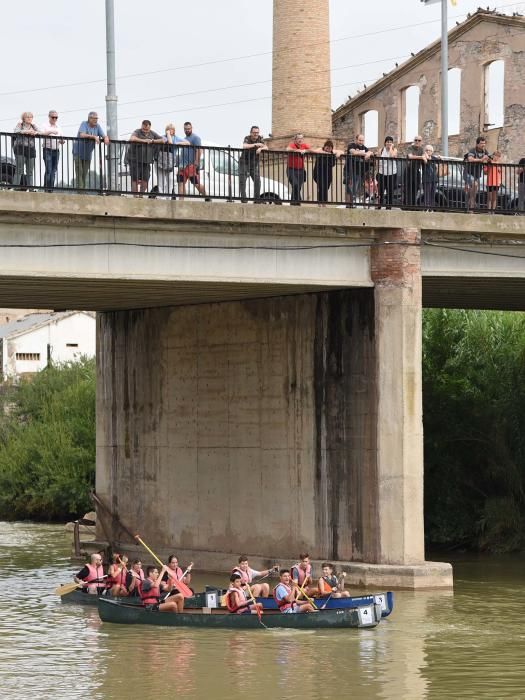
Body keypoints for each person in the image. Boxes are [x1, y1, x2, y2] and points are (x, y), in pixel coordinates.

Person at [72, 112, 109, 190]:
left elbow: (103, 134)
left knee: (84, 173)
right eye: (94, 118)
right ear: (89, 118)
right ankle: (81, 191)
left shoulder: (97, 126)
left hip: (88, 154)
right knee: (79, 172)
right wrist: (94, 137)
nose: (96, 120)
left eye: (96, 118)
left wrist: (105, 137)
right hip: (78, 152)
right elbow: (82, 135)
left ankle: (82, 190)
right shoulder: (84, 124)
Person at [128, 120, 164, 196]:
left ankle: (141, 196)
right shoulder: (137, 131)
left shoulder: (152, 133)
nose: (145, 131)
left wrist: (153, 140)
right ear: (141, 126)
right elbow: (132, 138)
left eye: (147, 129)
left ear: (150, 127)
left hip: (147, 161)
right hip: (135, 160)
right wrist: (144, 141)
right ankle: (135, 196)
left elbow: (163, 140)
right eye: (143, 129)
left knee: (146, 179)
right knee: (135, 179)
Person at [177, 121, 208, 200]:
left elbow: (199, 150)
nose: (187, 130)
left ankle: (206, 196)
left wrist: (196, 163)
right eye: (185, 129)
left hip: (191, 165)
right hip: (182, 166)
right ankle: (181, 202)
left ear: (191, 128)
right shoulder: (184, 139)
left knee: (196, 184)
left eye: (188, 128)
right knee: (181, 183)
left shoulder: (195, 138)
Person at [156, 124, 189, 197]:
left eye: (172, 129)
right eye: (169, 129)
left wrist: (178, 143)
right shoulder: (163, 137)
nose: (171, 131)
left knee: (171, 179)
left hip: (171, 162)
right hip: (161, 161)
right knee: (161, 179)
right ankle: (162, 196)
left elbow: (187, 143)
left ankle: (168, 195)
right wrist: (168, 134)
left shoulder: (176, 138)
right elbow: (170, 142)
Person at [239, 126, 267, 202]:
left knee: (257, 180)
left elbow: (266, 147)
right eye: (254, 132)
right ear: (251, 133)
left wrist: (261, 148)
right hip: (244, 162)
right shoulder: (247, 138)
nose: (256, 134)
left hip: (254, 163)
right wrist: (255, 145)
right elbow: (244, 146)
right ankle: (244, 199)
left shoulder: (260, 138)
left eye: (257, 132)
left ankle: (256, 199)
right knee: (242, 180)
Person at [12, 112, 40, 189]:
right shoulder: (20, 125)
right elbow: (16, 131)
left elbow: (40, 132)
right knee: (19, 169)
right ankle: (15, 187)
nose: (29, 118)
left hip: (31, 150)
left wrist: (35, 132)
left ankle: (30, 188)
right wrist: (26, 131)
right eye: (27, 117)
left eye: (31, 117)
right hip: (20, 148)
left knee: (30, 171)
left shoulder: (33, 126)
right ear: (23, 118)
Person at [344, 134, 372, 207]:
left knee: (354, 188)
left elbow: (370, 152)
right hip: (349, 170)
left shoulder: (364, 148)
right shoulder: (351, 145)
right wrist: (365, 153)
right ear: (356, 140)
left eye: (362, 140)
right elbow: (354, 152)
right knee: (349, 187)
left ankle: (352, 203)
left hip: (358, 171)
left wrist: (368, 153)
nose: (361, 142)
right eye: (360, 140)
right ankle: (348, 204)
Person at [312, 140, 343, 206]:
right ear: (324, 147)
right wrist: (324, 152)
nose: (328, 149)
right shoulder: (321, 150)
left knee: (326, 187)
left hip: (327, 174)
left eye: (330, 148)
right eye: (327, 148)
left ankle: (323, 202)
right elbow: (314, 151)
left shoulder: (332, 153)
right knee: (321, 187)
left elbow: (341, 151)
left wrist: (338, 154)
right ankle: (320, 203)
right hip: (319, 172)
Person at [40, 110, 64, 191]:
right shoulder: (45, 125)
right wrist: (50, 131)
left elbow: (61, 137)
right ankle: (46, 189)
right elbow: (41, 134)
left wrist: (62, 141)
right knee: (48, 170)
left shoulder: (59, 127)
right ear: (49, 117)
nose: (54, 119)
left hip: (56, 150)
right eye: (53, 117)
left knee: (54, 171)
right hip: (47, 150)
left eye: (56, 117)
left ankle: (51, 189)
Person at [464, 136, 490, 211]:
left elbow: (488, 160)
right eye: (481, 143)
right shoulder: (472, 150)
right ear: (477, 144)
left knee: (474, 189)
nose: (483, 145)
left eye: (484, 143)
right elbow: (470, 159)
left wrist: (488, 160)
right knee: (475, 185)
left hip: (477, 174)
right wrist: (481, 159)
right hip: (468, 172)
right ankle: (472, 205)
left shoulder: (485, 151)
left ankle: (470, 202)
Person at [286, 133, 311, 205]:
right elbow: (288, 149)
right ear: (295, 139)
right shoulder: (292, 145)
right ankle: (299, 201)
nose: (300, 140)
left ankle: (294, 204)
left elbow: (312, 150)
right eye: (298, 138)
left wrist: (305, 151)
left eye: (301, 138)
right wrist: (299, 150)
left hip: (301, 170)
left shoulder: (304, 145)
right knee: (296, 185)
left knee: (297, 187)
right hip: (291, 169)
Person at [375, 136, 398, 210]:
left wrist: (391, 148)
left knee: (390, 190)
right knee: (381, 190)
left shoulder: (394, 150)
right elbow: (377, 161)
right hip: (382, 173)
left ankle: (389, 206)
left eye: (391, 142)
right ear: (385, 143)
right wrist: (377, 171)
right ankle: (380, 204)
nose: (389, 143)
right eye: (388, 142)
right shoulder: (381, 150)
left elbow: (392, 156)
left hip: (392, 173)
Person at [405, 135, 425, 207]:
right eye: (416, 140)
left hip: (417, 171)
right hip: (409, 170)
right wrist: (421, 157)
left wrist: (424, 157)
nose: (417, 142)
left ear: (421, 142)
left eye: (419, 140)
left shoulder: (421, 149)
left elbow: (425, 157)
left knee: (416, 188)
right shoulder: (410, 147)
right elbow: (410, 156)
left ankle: (413, 205)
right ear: (414, 141)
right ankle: (408, 205)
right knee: (408, 189)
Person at [422, 144, 441, 210]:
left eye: (430, 150)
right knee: (427, 194)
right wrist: (425, 156)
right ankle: (426, 208)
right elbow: (425, 161)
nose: (428, 151)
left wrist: (439, 158)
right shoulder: (423, 156)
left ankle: (431, 208)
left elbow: (440, 162)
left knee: (433, 194)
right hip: (426, 179)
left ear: (432, 151)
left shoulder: (433, 158)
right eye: (427, 150)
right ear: (425, 151)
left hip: (434, 179)